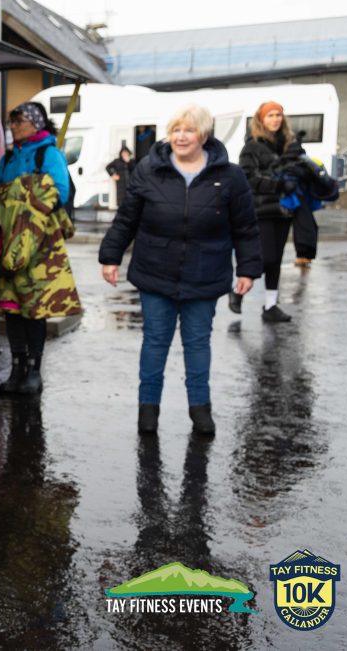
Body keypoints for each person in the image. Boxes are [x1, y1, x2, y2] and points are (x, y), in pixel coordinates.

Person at [98, 105, 262, 435]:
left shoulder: (230, 176)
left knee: (198, 343)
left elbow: (245, 226)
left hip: (205, 272)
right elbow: (127, 218)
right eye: (176, 130)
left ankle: (200, 409)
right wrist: (110, 256)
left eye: (189, 130)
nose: (181, 137)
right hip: (155, 270)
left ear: (204, 134)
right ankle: (148, 410)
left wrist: (247, 269)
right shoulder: (148, 170)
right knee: (155, 341)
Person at [0, 101, 82, 396]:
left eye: (19, 122)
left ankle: (34, 370)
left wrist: (18, 200)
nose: (13, 127)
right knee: (11, 306)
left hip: (39, 244)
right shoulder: (9, 157)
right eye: (12, 122)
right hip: (8, 242)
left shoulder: (48, 154)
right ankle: (16, 368)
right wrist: (22, 194)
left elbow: (59, 192)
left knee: (35, 307)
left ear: (36, 124)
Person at [234, 101, 304, 321]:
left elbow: (297, 170)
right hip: (261, 209)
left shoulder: (288, 144)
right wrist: (278, 184)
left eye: (278, 115)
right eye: (270, 115)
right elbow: (247, 177)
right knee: (268, 258)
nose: (275, 119)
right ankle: (238, 291)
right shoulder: (252, 146)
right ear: (261, 119)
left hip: (284, 209)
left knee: (278, 258)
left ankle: (271, 305)